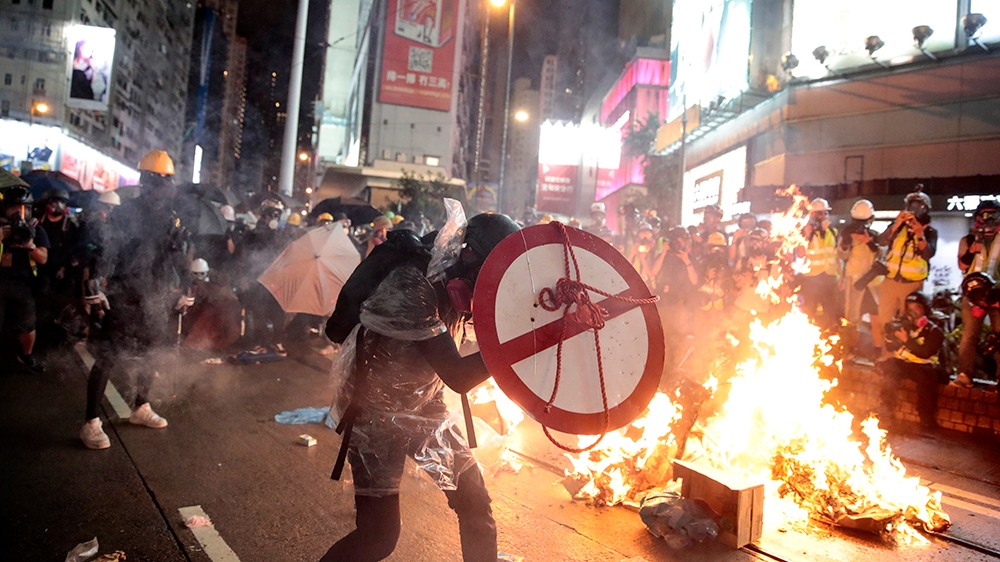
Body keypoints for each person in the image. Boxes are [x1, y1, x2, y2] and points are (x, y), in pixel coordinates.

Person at [320, 212, 520, 562]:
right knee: (379, 536)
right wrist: (526, 344)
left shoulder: (461, 281)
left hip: (426, 406)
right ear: (469, 256)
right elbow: (457, 376)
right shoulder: (413, 285)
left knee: (475, 505)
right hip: (374, 415)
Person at [79, 150, 185, 450]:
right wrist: (95, 283)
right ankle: (90, 422)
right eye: (160, 179)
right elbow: (108, 250)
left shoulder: (171, 217)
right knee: (108, 355)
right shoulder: (127, 213)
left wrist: (186, 287)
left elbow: (173, 257)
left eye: (168, 180)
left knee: (150, 353)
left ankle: (141, 406)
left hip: (155, 295)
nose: (165, 186)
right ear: (146, 181)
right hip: (124, 293)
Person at [874, 188, 937, 358]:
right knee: (884, 321)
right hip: (891, 280)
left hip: (912, 284)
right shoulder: (898, 227)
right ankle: (887, 359)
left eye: (918, 206)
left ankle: (904, 359)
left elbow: (928, 253)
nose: (914, 209)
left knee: (907, 323)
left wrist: (919, 234)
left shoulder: (929, 232)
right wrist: (897, 224)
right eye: (912, 206)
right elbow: (881, 240)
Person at [0, 182, 50, 372]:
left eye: (23, 208)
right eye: (14, 208)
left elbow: (43, 258)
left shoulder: (37, 230)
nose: (18, 213)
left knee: (28, 325)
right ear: (5, 209)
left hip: (24, 285)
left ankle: (26, 355)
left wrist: (30, 245)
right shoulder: (1, 228)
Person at [878, 292, 944, 429]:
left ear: (925, 309)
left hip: (922, 366)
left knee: (926, 380)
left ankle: (926, 418)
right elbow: (891, 347)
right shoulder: (904, 326)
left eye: (917, 308)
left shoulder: (934, 331)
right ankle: (886, 410)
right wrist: (891, 336)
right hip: (902, 364)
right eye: (909, 308)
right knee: (889, 371)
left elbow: (925, 353)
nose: (912, 312)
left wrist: (906, 340)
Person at [955, 200, 1000, 388]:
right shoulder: (968, 239)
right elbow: (962, 265)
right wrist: (972, 250)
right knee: (969, 336)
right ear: (977, 217)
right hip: (973, 296)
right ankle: (964, 375)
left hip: (997, 295)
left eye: (993, 214)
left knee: (998, 336)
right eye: (984, 215)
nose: (988, 219)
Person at [653, 227, 699, 375]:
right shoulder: (665, 256)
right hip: (665, 304)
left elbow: (695, 281)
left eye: (680, 241)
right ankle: (664, 370)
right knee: (664, 337)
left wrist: (686, 260)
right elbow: (653, 272)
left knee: (680, 337)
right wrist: (664, 252)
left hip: (682, 306)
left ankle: (677, 370)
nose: (678, 244)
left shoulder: (691, 259)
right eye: (675, 241)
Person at [795, 198, 842, 328]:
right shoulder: (805, 232)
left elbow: (837, 256)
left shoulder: (833, 232)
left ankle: (829, 339)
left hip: (830, 278)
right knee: (809, 311)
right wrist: (807, 236)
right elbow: (800, 254)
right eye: (820, 213)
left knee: (831, 313)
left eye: (826, 213)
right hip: (812, 279)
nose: (824, 216)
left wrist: (840, 276)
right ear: (813, 215)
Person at [176, 259, 242, 350]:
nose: (199, 277)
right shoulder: (190, 288)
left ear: (206, 273)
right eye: (196, 274)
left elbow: (232, 302)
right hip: (198, 322)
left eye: (201, 274)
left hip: (214, 321)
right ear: (191, 274)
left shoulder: (215, 288)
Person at [838, 199, 880, 325]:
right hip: (855, 281)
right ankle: (851, 343)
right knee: (852, 317)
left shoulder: (875, 236)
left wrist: (868, 242)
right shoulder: (847, 235)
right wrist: (845, 243)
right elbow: (841, 255)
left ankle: (878, 344)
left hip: (872, 280)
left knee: (877, 316)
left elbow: (881, 253)